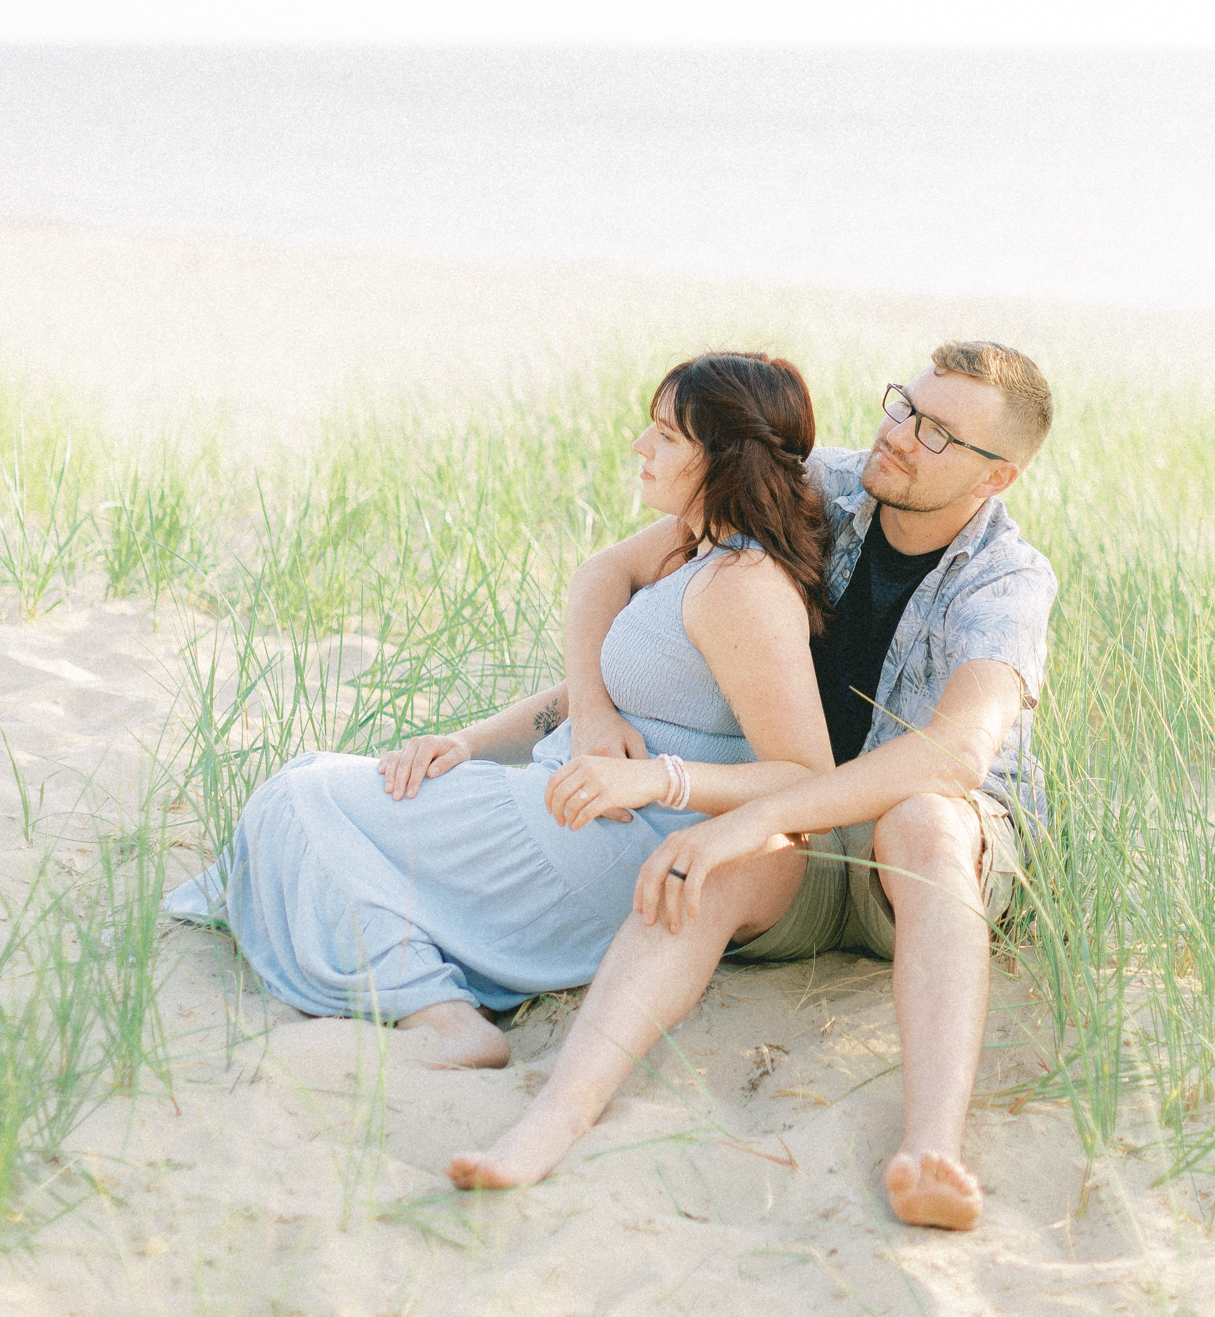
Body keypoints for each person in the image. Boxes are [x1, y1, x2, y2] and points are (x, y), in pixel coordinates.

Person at [446, 340, 1057, 1230]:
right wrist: (590, 709)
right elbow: (608, 574)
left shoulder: (1006, 580)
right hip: (807, 842)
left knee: (922, 818)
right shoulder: (819, 486)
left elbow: (954, 756)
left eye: (935, 433)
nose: (898, 434)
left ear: (994, 477)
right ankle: (551, 1121)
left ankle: (932, 1148)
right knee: (718, 866)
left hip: (935, 862)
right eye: (902, 405)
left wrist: (748, 814)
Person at [163, 352, 835, 1068]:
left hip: (609, 843)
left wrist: (658, 779)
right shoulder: (692, 542)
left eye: (666, 436)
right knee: (311, 784)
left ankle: (439, 1016)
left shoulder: (741, 585)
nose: (640, 447)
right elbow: (598, 578)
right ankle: (436, 1005)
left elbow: (806, 778)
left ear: (725, 459)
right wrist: (479, 739)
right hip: (558, 804)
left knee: (301, 801)